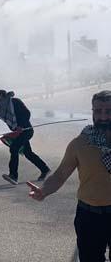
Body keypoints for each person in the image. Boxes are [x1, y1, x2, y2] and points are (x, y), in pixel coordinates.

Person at [28, 90, 111, 262]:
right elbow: (60, 175)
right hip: (89, 216)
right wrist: (44, 190)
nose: (103, 116)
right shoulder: (80, 143)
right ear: (93, 112)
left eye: (109, 111)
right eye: (98, 111)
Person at [0, 89, 50, 185]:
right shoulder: (1, 107)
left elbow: (27, 113)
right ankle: (45, 169)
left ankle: (13, 176)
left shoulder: (15, 102)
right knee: (28, 153)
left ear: (6, 97)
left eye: (1, 99)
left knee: (14, 148)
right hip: (17, 133)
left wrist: (21, 126)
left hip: (26, 130)